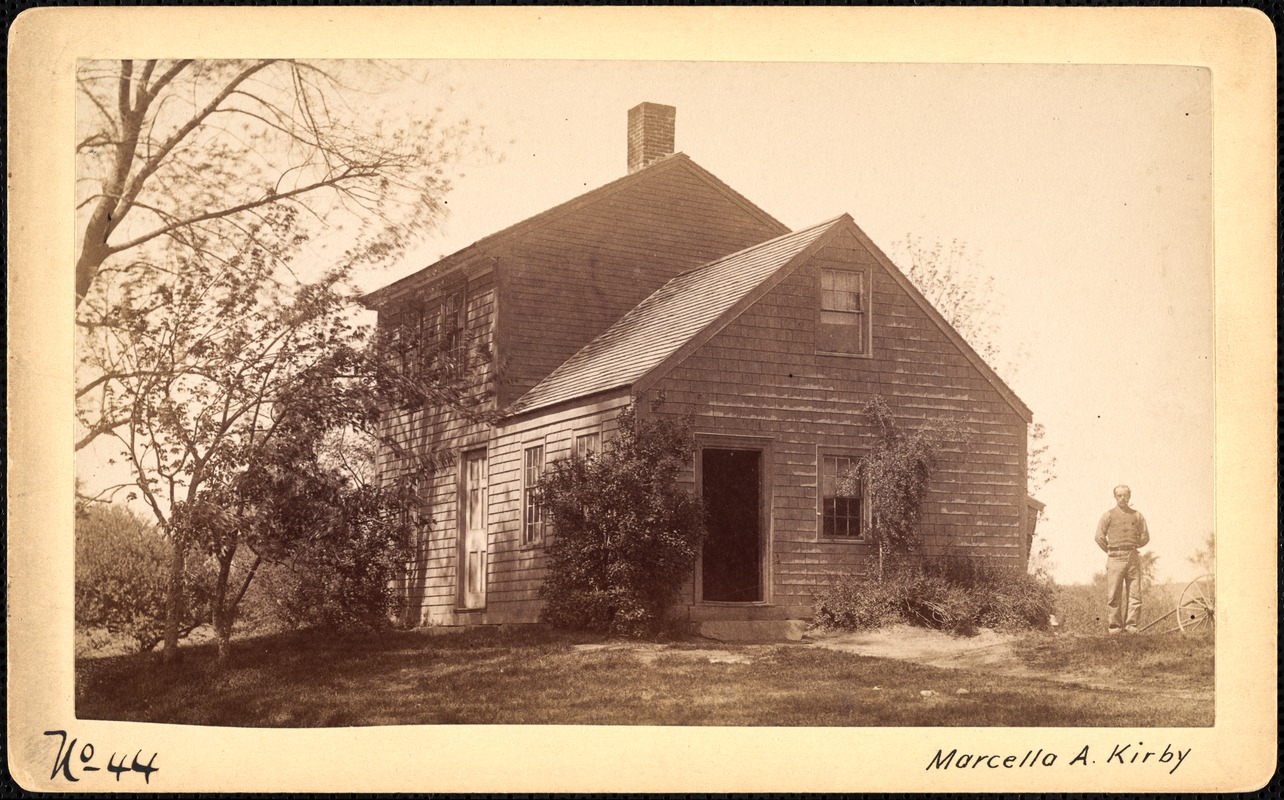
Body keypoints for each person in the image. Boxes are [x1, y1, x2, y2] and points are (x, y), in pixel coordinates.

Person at [1094, 485, 1151, 634]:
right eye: (1119, 495)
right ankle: (1115, 627)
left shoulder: (1137, 515)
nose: (1122, 498)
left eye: (1125, 495)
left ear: (1130, 496)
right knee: (1113, 594)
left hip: (1133, 558)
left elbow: (1145, 536)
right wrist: (1111, 550)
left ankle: (1131, 626)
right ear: (1115, 497)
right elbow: (1099, 536)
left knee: (1135, 594)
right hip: (1115, 559)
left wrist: (1135, 544)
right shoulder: (1108, 515)